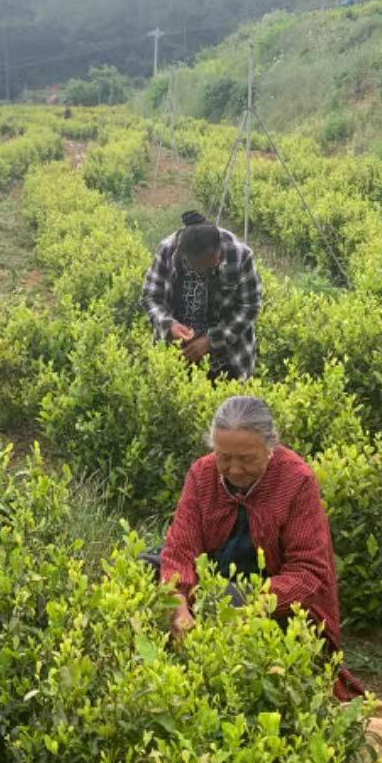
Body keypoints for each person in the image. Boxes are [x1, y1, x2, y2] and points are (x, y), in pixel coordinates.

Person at [151, 394, 362, 700]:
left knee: (224, 600)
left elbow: (308, 572)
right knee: (149, 577)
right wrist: (178, 602)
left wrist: (251, 607)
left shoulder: (296, 480)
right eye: (224, 457)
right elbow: (180, 549)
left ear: (270, 447)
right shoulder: (202, 474)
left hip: (273, 600)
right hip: (210, 584)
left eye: (247, 459)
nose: (234, 469)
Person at [141, 210, 261, 383]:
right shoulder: (167, 251)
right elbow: (151, 296)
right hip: (176, 354)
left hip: (229, 359)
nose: (212, 268)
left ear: (219, 247)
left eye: (216, 261)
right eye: (202, 268)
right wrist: (170, 326)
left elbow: (250, 306)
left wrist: (210, 341)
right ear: (186, 258)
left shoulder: (240, 254)